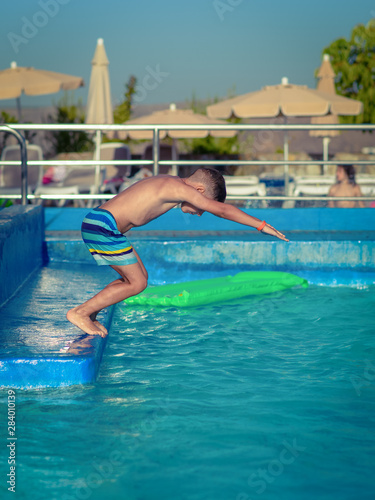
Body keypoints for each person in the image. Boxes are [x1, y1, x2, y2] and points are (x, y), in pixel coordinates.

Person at [67, 168, 289, 337]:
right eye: (203, 206)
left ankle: (91, 311)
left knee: (137, 279)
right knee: (137, 283)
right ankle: (81, 312)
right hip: (103, 227)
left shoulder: (170, 181)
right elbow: (222, 210)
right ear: (199, 192)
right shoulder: (179, 189)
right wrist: (260, 225)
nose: (201, 213)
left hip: (102, 224)